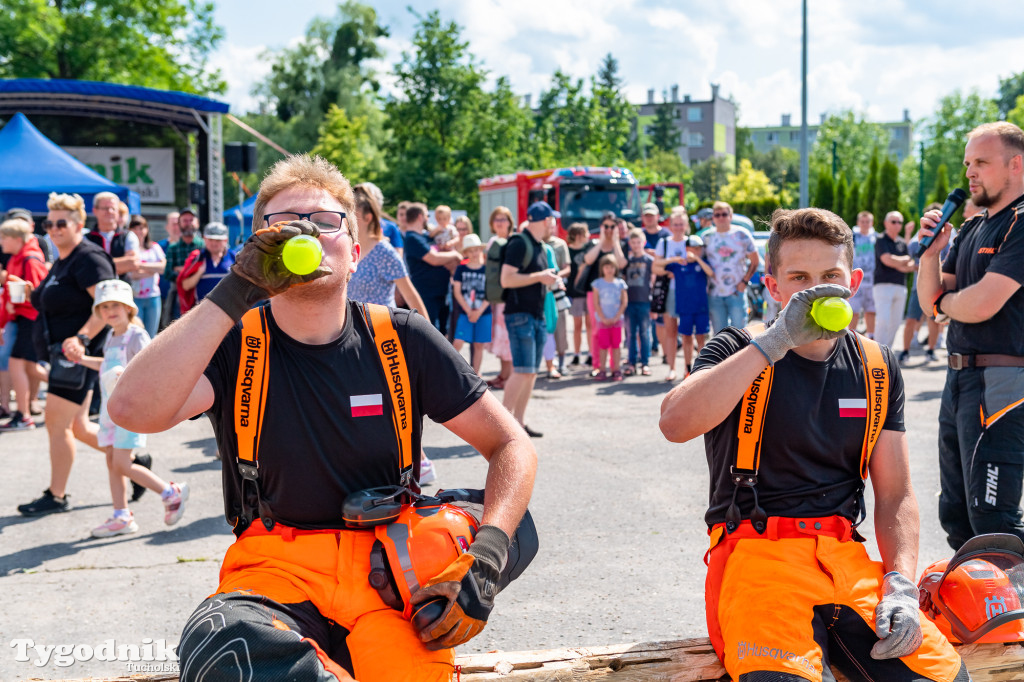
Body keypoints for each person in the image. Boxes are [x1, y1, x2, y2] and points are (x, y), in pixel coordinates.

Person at [108, 153, 536, 682]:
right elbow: (131, 410)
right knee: (221, 644)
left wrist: (488, 555)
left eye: (326, 220)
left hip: (391, 575)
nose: (305, 230)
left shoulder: (402, 338)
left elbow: (511, 446)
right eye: (283, 224)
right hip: (274, 569)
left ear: (355, 253)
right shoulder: (233, 342)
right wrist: (238, 287)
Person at [661, 206, 967, 682]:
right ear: (772, 286)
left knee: (945, 676)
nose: (816, 288)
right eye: (799, 277)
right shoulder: (736, 348)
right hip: (756, 558)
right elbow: (675, 423)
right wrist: (775, 341)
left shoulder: (877, 366)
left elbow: (896, 495)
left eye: (830, 275)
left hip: (845, 559)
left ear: (854, 281)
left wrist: (901, 583)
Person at [916, 121, 1024, 550]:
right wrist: (931, 252)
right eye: (967, 163)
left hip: (1003, 383)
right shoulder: (973, 227)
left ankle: (1010, 613)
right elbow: (930, 301)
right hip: (959, 378)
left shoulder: (1020, 222)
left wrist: (944, 305)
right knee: (957, 514)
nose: (969, 174)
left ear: (1016, 164)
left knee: (993, 518)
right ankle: (973, 613)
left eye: (981, 162)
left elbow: (982, 302)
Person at [17, 193, 116, 517]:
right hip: (64, 356)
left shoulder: (88, 258)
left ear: (78, 224)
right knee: (77, 428)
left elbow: (107, 308)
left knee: (56, 424)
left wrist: (82, 338)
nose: (54, 229)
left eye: (62, 223)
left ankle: (56, 495)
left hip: (78, 356)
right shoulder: (63, 259)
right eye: (49, 223)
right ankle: (131, 461)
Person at [66, 279, 188, 537]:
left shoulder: (136, 335)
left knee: (121, 463)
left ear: (129, 308)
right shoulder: (111, 335)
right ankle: (121, 515)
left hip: (130, 410)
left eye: (116, 305)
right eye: (105, 306)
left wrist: (127, 376)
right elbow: (106, 366)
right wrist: (82, 359)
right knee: (112, 461)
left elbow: (148, 366)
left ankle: (170, 492)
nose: (111, 310)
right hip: (111, 411)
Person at [501, 201, 561, 437]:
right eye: (553, 220)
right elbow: (506, 279)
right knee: (523, 370)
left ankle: (519, 424)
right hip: (520, 315)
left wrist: (546, 279)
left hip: (536, 315)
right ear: (546, 221)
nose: (555, 225)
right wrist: (540, 277)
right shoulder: (519, 242)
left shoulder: (538, 245)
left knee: (531, 372)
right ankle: (502, 427)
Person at [347, 185, 427, 316]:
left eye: (352, 215)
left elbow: (411, 297)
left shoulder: (384, 253)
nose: (347, 220)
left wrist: (427, 335)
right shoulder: (347, 249)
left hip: (380, 330)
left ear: (368, 218)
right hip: (353, 330)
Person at [0, 217, 48, 430]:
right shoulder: (16, 258)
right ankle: (65, 387)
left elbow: (39, 294)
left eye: (4, 237)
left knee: (17, 364)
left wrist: (14, 293)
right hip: (23, 318)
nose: (1, 241)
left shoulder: (30, 259)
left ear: (16, 239)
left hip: (32, 320)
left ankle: (24, 414)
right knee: (27, 366)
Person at [654, 209, 707, 382]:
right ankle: (671, 368)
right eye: (675, 224)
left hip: (691, 293)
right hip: (671, 291)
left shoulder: (692, 243)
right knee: (671, 330)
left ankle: (692, 368)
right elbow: (655, 267)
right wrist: (671, 267)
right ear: (670, 226)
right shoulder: (664, 243)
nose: (678, 228)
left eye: (681, 224)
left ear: (686, 226)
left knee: (689, 334)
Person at [404, 203, 462, 333]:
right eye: (427, 215)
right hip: (427, 295)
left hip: (442, 293)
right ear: (420, 217)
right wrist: (455, 255)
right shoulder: (412, 238)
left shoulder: (427, 236)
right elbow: (434, 259)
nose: (428, 219)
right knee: (431, 333)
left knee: (443, 333)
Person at [581, 212, 627, 372]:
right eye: (605, 226)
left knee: (614, 334)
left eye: (612, 226)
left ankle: (615, 367)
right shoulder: (594, 243)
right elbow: (588, 259)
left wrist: (615, 242)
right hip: (594, 293)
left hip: (614, 295)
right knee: (597, 330)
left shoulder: (620, 245)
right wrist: (601, 241)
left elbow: (621, 263)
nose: (608, 229)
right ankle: (598, 366)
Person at [704, 201, 758, 333]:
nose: (721, 217)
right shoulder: (706, 237)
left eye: (724, 214)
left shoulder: (742, 234)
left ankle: (741, 355)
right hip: (714, 293)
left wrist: (744, 282)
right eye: (717, 215)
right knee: (719, 335)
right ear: (713, 218)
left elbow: (755, 261)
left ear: (730, 216)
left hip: (736, 291)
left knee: (740, 333)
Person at [873, 210, 916, 350]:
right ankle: (877, 353)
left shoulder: (902, 243)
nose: (897, 224)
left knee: (896, 323)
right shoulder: (881, 239)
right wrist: (903, 260)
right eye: (893, 221)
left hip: (900, 286)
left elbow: (909, 266)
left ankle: (887, 352)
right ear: (886, 223)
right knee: (883, 321)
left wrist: (899, 262)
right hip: (883, 285)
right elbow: (887, 260)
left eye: (899, 222)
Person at [452, 234, 490, 375]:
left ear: (481, 250)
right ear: (466, 253)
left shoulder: (486, 270)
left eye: (477, 250)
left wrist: (479, 311)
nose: (474, 253)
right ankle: (453, 370)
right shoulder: (461, 269)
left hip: (484, 313)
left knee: (479, 344)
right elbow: (457, 292)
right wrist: (469, 311)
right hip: (465, 312)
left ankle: (476, 373)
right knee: (458, 342)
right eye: (471, 250)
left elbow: (490, 293)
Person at [485, 207, 515, 389]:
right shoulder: (492, 242)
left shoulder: (513, 241)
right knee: (499, 337)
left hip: (508, 298)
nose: (500, 222)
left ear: (510, 221)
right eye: (497, 218)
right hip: (495, 298)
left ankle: (509, 376)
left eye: (503, 218)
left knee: (507, 338)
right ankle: (503, 374)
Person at [127, 216, 166, 339]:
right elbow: (130, 273)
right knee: (136, 333)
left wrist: (140, 266)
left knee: (151, 334)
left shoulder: (154, 247)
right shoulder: (129, 249)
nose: (139, 231)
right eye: (135, 228)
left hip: (153, 296)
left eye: (142, 228)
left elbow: (163, 268)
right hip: (135, 297)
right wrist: (151, 270)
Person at [85, 191, 139, 281]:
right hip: (92, 292)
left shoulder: (128, 236)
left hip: (121, 291)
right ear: (95, 211)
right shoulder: (86, 238)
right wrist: (121, 263)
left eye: (113, 208)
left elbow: (133, 263)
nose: (109, 212)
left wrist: (97, 265)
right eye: (105, 208)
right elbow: (83, 266)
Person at [179, 222, 235, 309]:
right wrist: (199, 273)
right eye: (210, 239)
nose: (214, 243)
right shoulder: (197, 258)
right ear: (204, 239)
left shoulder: (235, 258)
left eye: (218, 240)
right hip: (202, 311)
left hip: (229, 310)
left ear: (225, 240)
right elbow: (185, 286)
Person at [163, 206, 204, 322]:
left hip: (201, 292)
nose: (188, 224)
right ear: (179, 224)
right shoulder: (173, 248)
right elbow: (168, 274)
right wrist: (191, 273)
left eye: (191, 220)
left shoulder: (204, 246)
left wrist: (183, 270)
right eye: (185, 221)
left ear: (197, 223)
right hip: (179, 295)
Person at [590, 254, 627, 381]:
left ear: (615, 268)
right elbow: (596, 303)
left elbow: (624, 302)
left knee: (616, 346)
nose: (609, 269)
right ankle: (602, 369)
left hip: (617, 321)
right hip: (603, 321)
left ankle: (616, 369)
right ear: (602, 268)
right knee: (603, 346)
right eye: (606, 267)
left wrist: (617, 317)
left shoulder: (620, 283)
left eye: (612, 267)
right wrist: (602, 317)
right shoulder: (598, 284)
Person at [623, 228, 653, 376]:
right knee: (630, 334)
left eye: (638, 242)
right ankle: (631, 362)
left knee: (645, 333)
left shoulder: (649, 261)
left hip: (645, 301)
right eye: (633, 242)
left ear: (644, 242)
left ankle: (645, 363)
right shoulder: (627, 261)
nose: (636, 245)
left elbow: (653, 281)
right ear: (630, 243)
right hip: (629, 302)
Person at [564, 222, 591, 368]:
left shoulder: (589, 249)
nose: (588, 236)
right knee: (577, 326)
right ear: (578, 235)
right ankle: (576, 355)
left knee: (590, 325)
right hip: (575, 293)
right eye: (585, 233)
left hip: (588, 291)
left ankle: (591, 355)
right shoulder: (568, 251)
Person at [848, 211, 877, 338]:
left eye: (868, 221)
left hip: (872, 280)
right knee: (853, 311)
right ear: (858, 222)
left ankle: (871, 336)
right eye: (862, 221)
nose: (865, 224)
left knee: (871, 310)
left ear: (872, 223)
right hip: (856, 280)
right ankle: (851, 336)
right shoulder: (851, 237)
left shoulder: (876, 237)